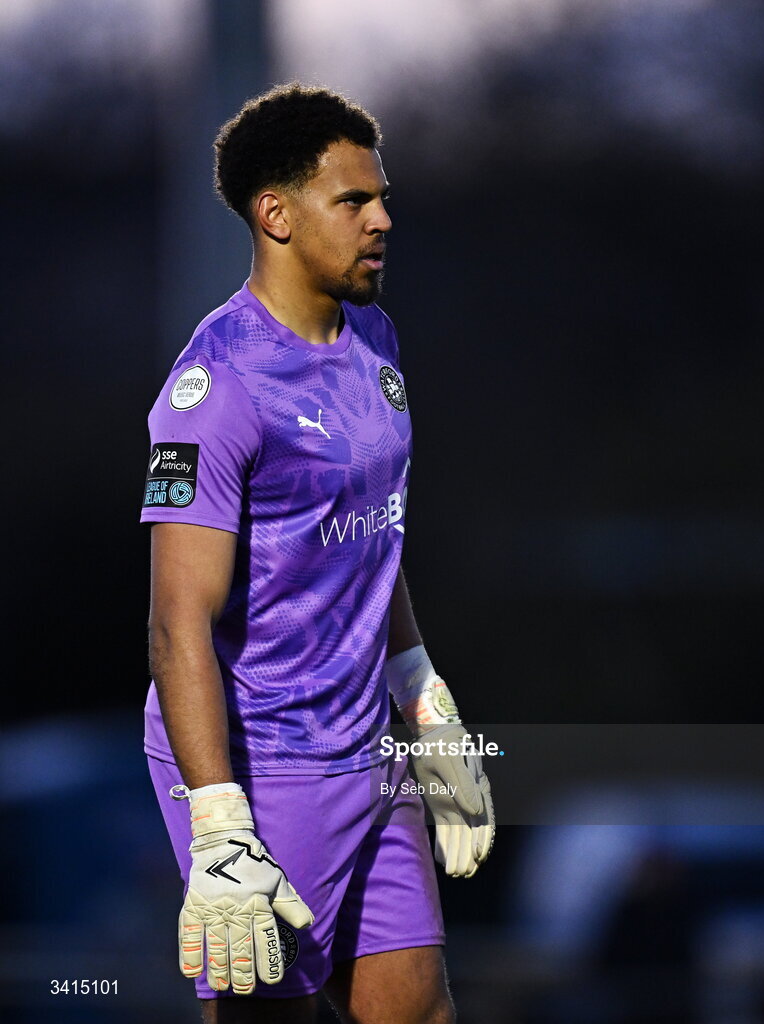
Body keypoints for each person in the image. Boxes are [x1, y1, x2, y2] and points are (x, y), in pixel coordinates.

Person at [140, 83, 495, 1024]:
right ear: (277, 213)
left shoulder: (374, 335)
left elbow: (374, 532)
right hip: (262, 764)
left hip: (366, 750)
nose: (381, 219)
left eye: (381, 198)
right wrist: (219, 823)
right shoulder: (213, 388)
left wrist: (421, 693)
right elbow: (178, 623)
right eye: (353, 201)